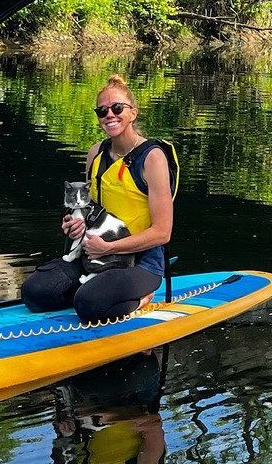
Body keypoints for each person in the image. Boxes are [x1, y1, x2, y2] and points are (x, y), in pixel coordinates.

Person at [21, 75, 176, 323]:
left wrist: (110, 247)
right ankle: (95, 291)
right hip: (95, 256)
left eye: (117, 108)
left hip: (139, 264)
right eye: (102, 111)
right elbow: (88, 209)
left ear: (133, 113)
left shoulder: (153, 158)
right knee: (34, 293)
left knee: (90, 306)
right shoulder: (96, 152)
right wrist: (75, 224)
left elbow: (162, 233)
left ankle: (142, 296)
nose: (109, 115)